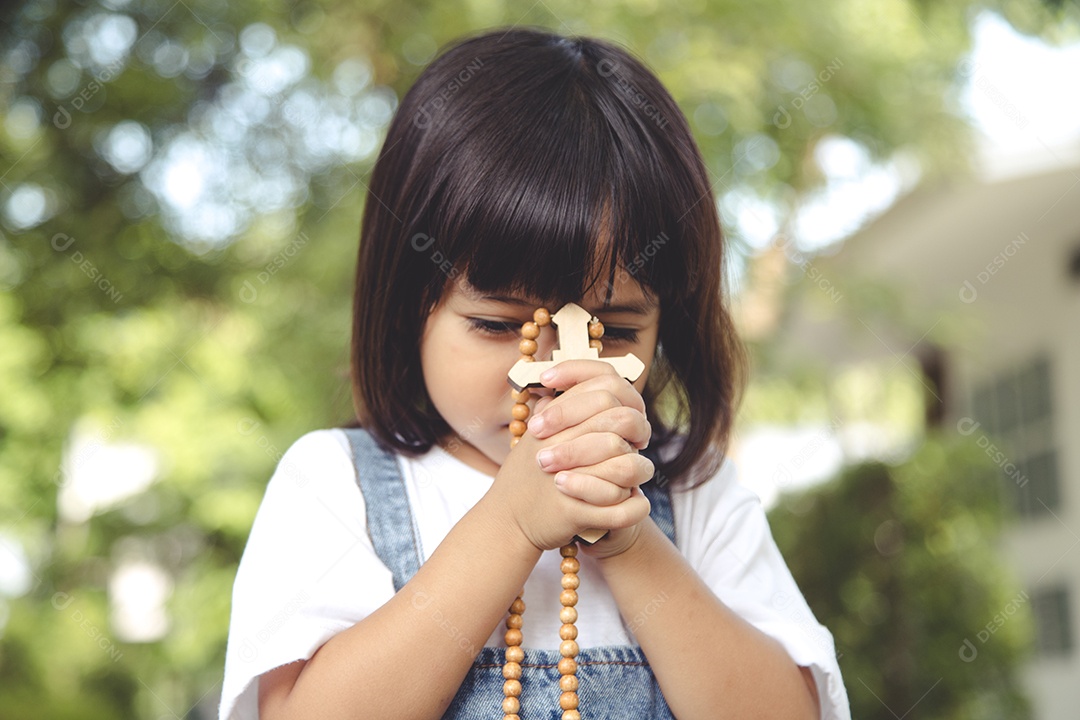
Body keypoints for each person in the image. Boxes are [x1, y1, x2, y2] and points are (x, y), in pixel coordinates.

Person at [219, 26, 850, 720]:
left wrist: (635, 546)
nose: (551, 373)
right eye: (499, 326)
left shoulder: (693, 493)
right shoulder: (337, 486)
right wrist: (511, 525)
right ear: (407, 310)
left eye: (609, 331)